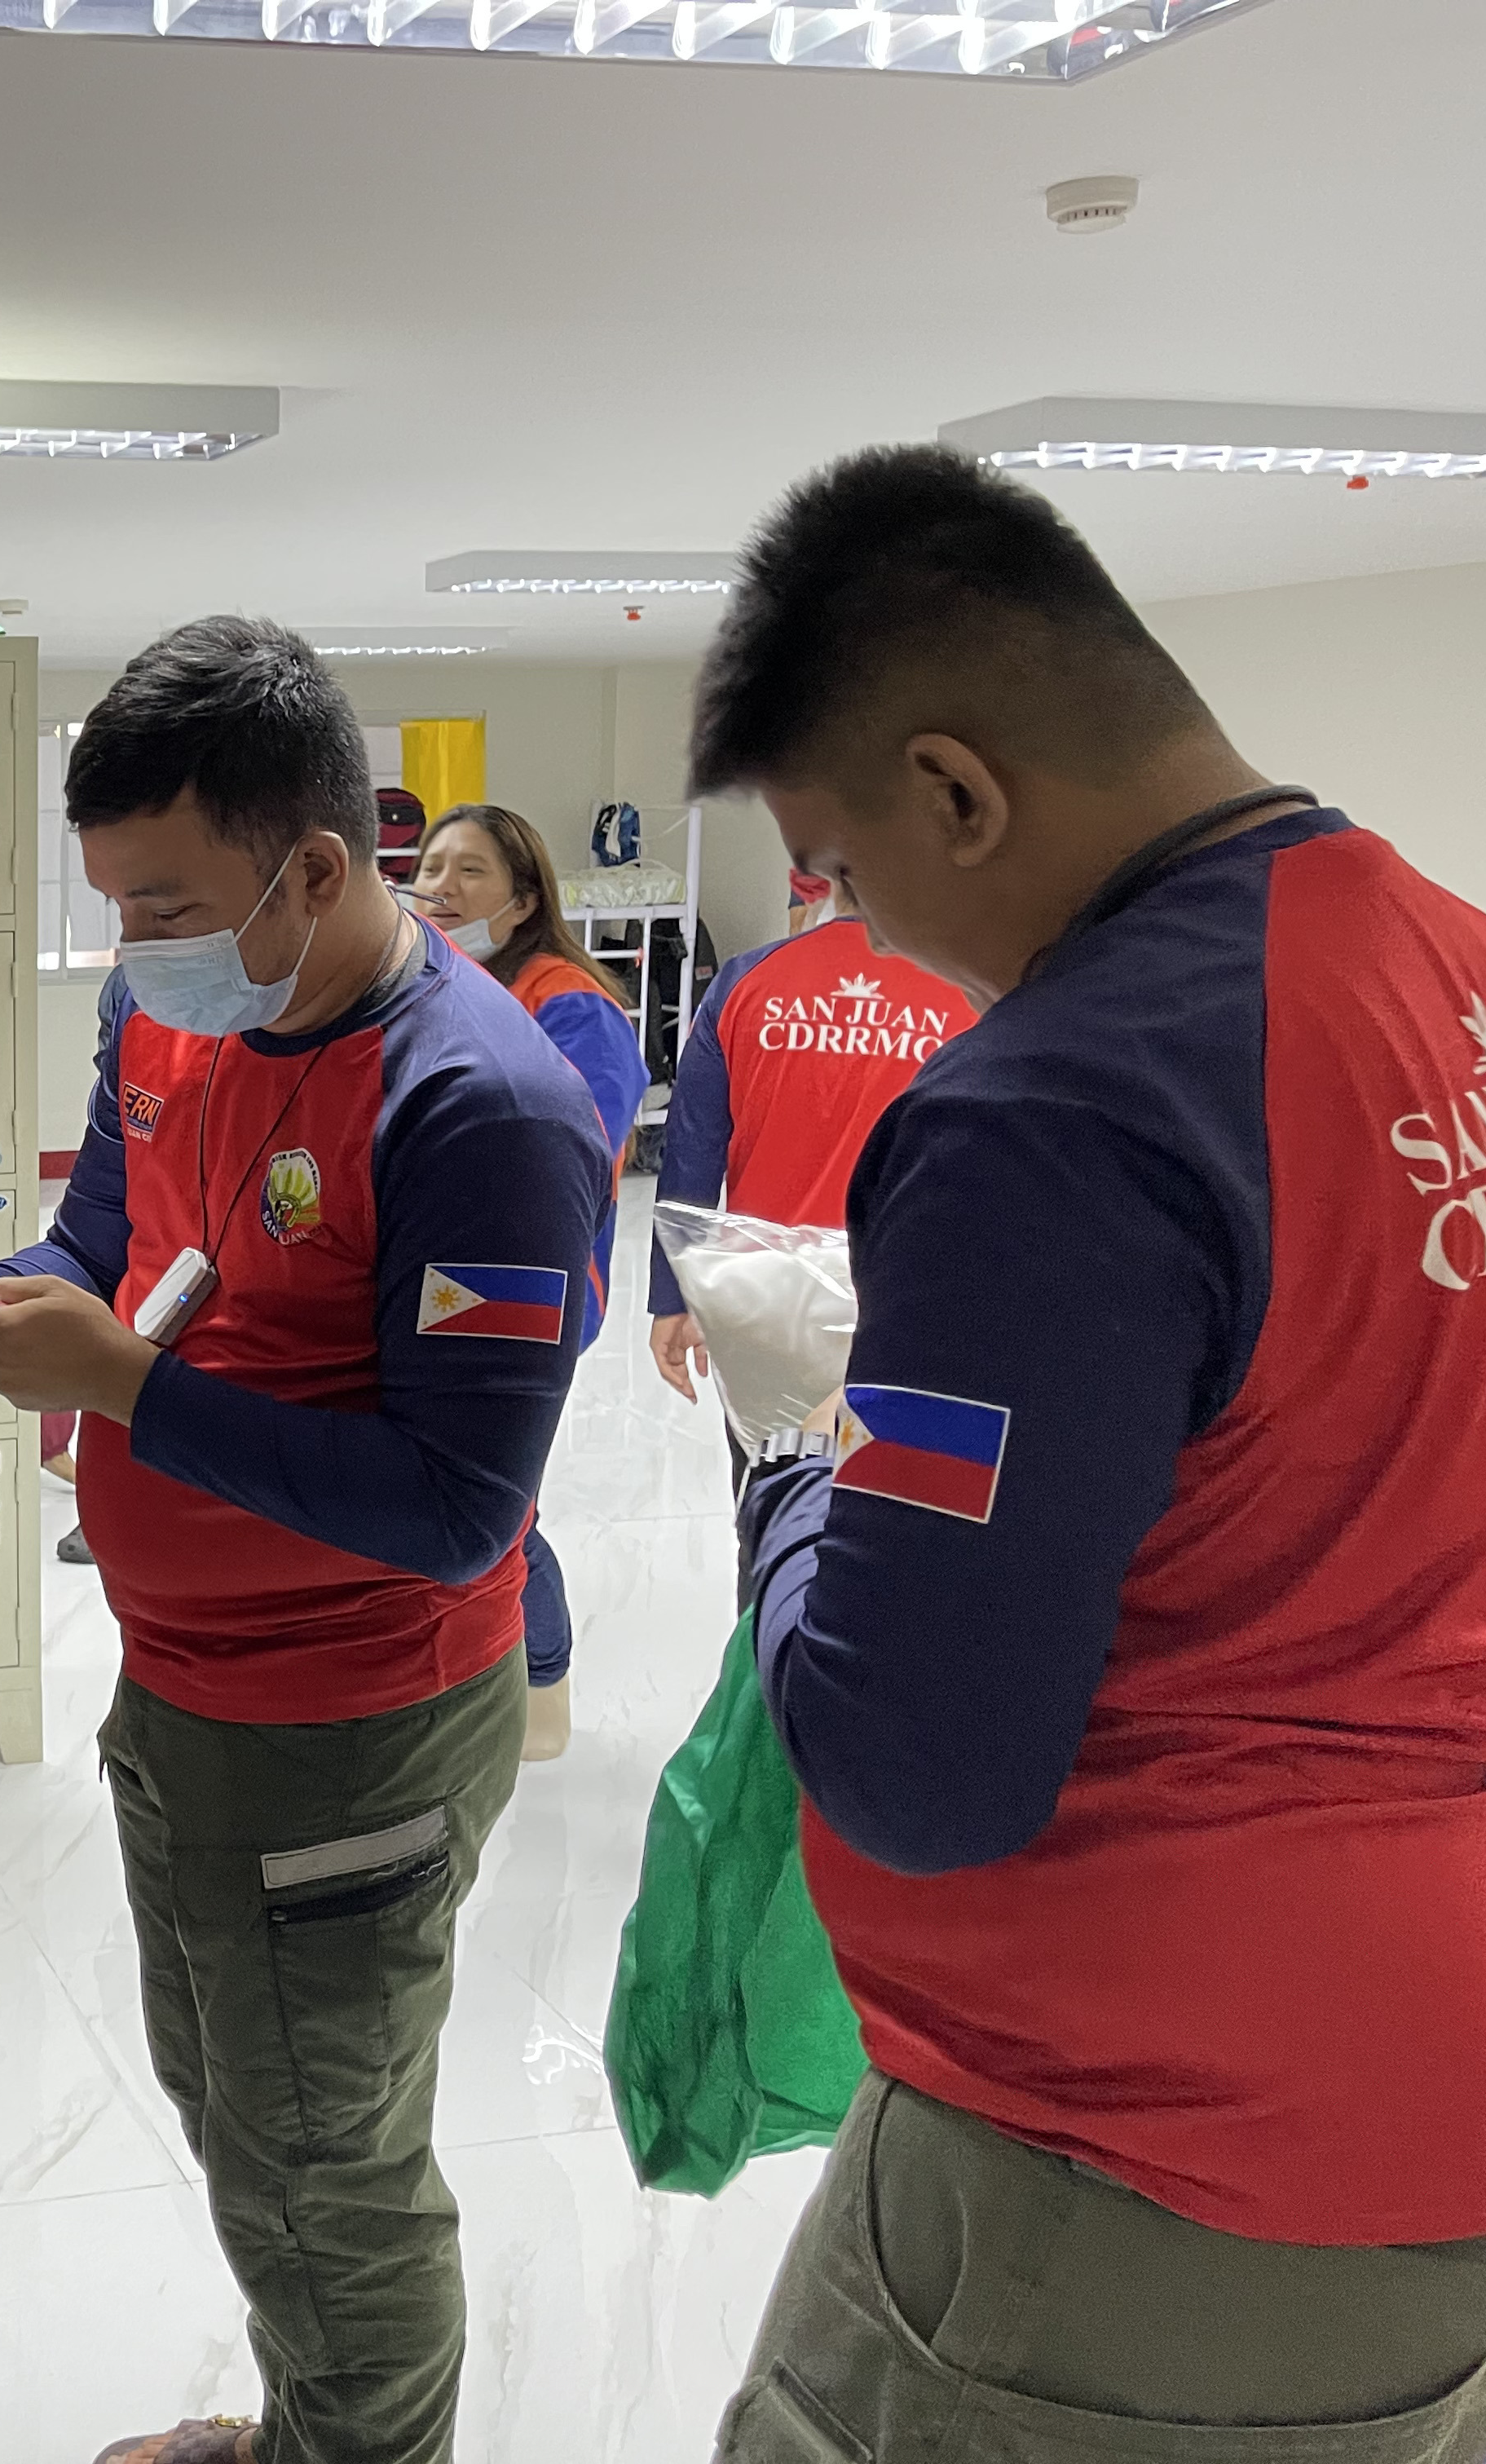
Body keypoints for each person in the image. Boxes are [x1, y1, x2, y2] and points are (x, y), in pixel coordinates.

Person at [694, 447, 1486, 2458]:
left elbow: (920, 1760)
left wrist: (800, 1458)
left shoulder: (1052, 1105)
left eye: (845, 871)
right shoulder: (1452, 969)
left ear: (956, 788)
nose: (861, 933)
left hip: (1136, 2177)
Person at [0, 619, 608, 2464]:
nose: (129, 949)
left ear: (315, 868)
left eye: (163, 901)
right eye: (110, 900)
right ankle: (303, 2426)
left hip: (353, 1720)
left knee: (328, 2173)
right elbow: (102, 1238)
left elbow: (457, 1511)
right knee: (239, 2110)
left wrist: (116, 1384)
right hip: (183, 1690)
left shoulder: (483, 1106)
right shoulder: (165, 1009)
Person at [644, 782, 975, 1604]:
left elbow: (691, 1154)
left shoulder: (748, 984)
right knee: (909, 1516)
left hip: (766, 1304)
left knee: (772, 1501)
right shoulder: (971, 994)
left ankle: (765, 1675)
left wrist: (672, 1299)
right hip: (916, 1301)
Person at [408, 801, 649, 1760]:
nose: (443, 887)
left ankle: (542, 1682)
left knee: (499, 1500)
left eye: (471, 871)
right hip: (433, 1273)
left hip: (527, 1286)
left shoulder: (570, 999)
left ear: (522, 900)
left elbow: (564, 1148)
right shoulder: (430, 983)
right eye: (432, 864)